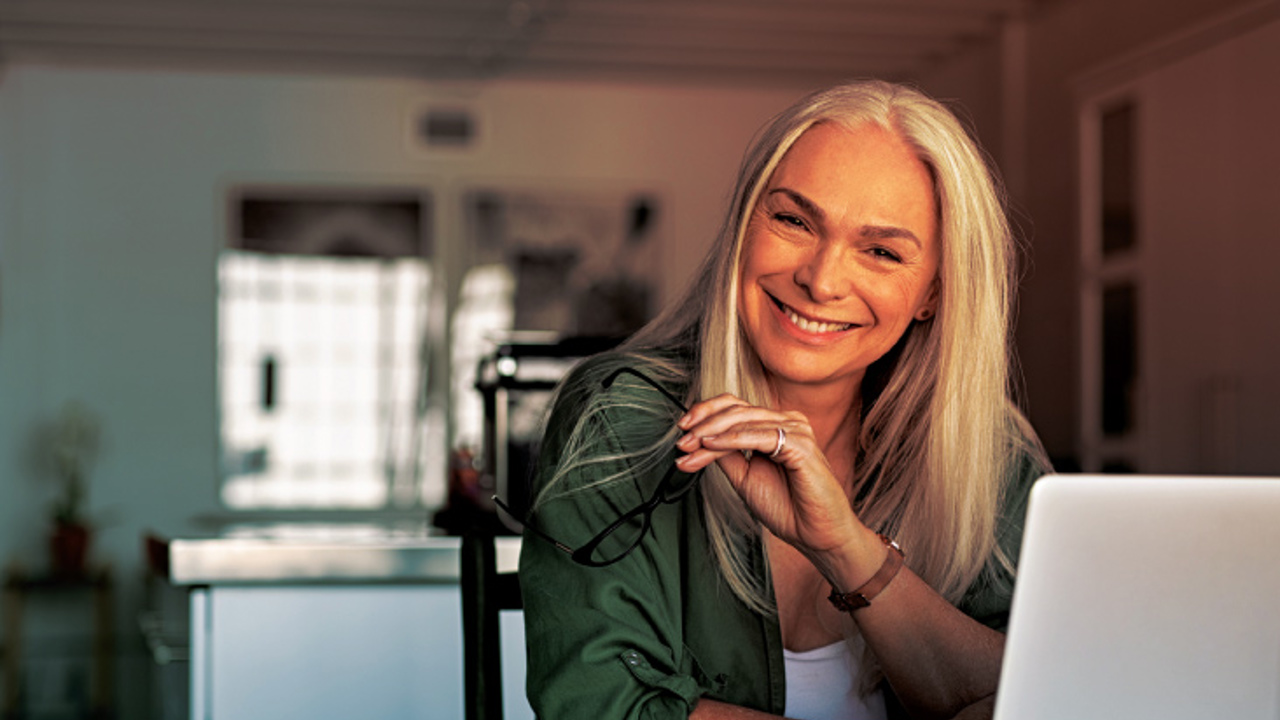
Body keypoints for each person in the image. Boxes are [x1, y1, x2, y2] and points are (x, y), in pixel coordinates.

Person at [512, 80, 1051, 720]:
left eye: (881, 251)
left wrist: (846, 549)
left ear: (933, 293)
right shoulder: (620, 415)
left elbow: (1040, 698)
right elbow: (597, 706)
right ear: (744, 226)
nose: (821, 281)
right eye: (794, 220)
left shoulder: (989, 455)